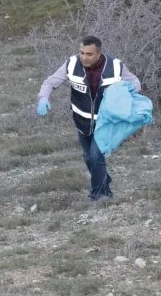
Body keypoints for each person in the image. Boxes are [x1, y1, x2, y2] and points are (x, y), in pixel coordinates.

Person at [36, 35, 141, 201]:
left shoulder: (115, 65)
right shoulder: (71, 64)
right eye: (82, 53)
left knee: (95, 156)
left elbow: (135, 82)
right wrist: (44, 97)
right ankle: (104, 181)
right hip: (82, 121)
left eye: (89, 54)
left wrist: (126, 88)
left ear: (99, 53)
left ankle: (99, 196)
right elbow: (50, 82)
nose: (84, 57)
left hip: (105, 122)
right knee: (88, 157)